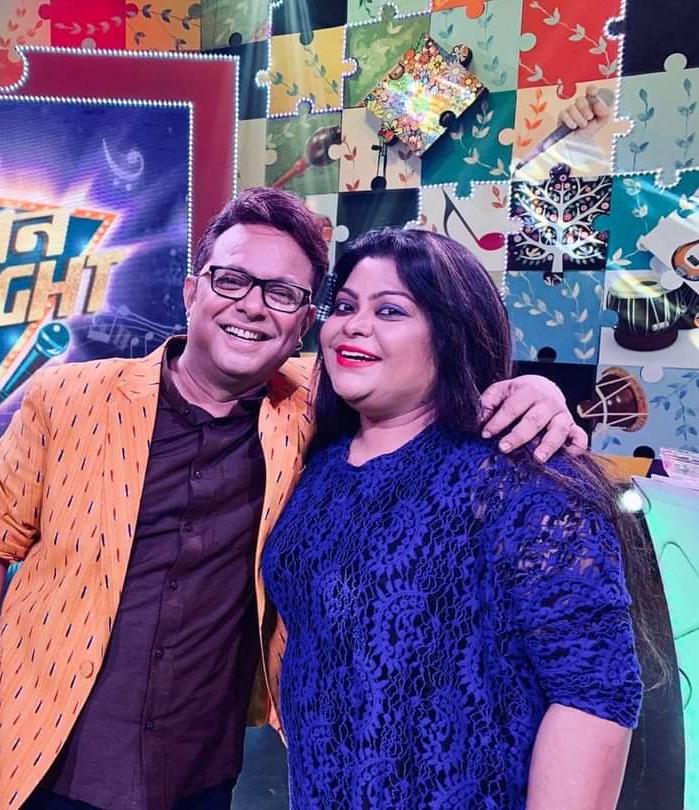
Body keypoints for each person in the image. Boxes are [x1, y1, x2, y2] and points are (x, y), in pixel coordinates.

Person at [0, 188, 585, 810]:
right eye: (231, 280)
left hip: (200, 772)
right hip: (44, 751)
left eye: (282, 293)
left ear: (303, 322)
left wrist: (531, 389)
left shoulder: (312, 411)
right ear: (193, 291)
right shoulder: (68, 399)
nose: (251, 306)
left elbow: (417, 372)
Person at [263, 228, 659, 809]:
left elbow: (593, 693)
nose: (354, 326)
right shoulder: (315, 460)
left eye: (390, 310)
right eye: (344, 306)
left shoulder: (522, 477)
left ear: (452, 332)